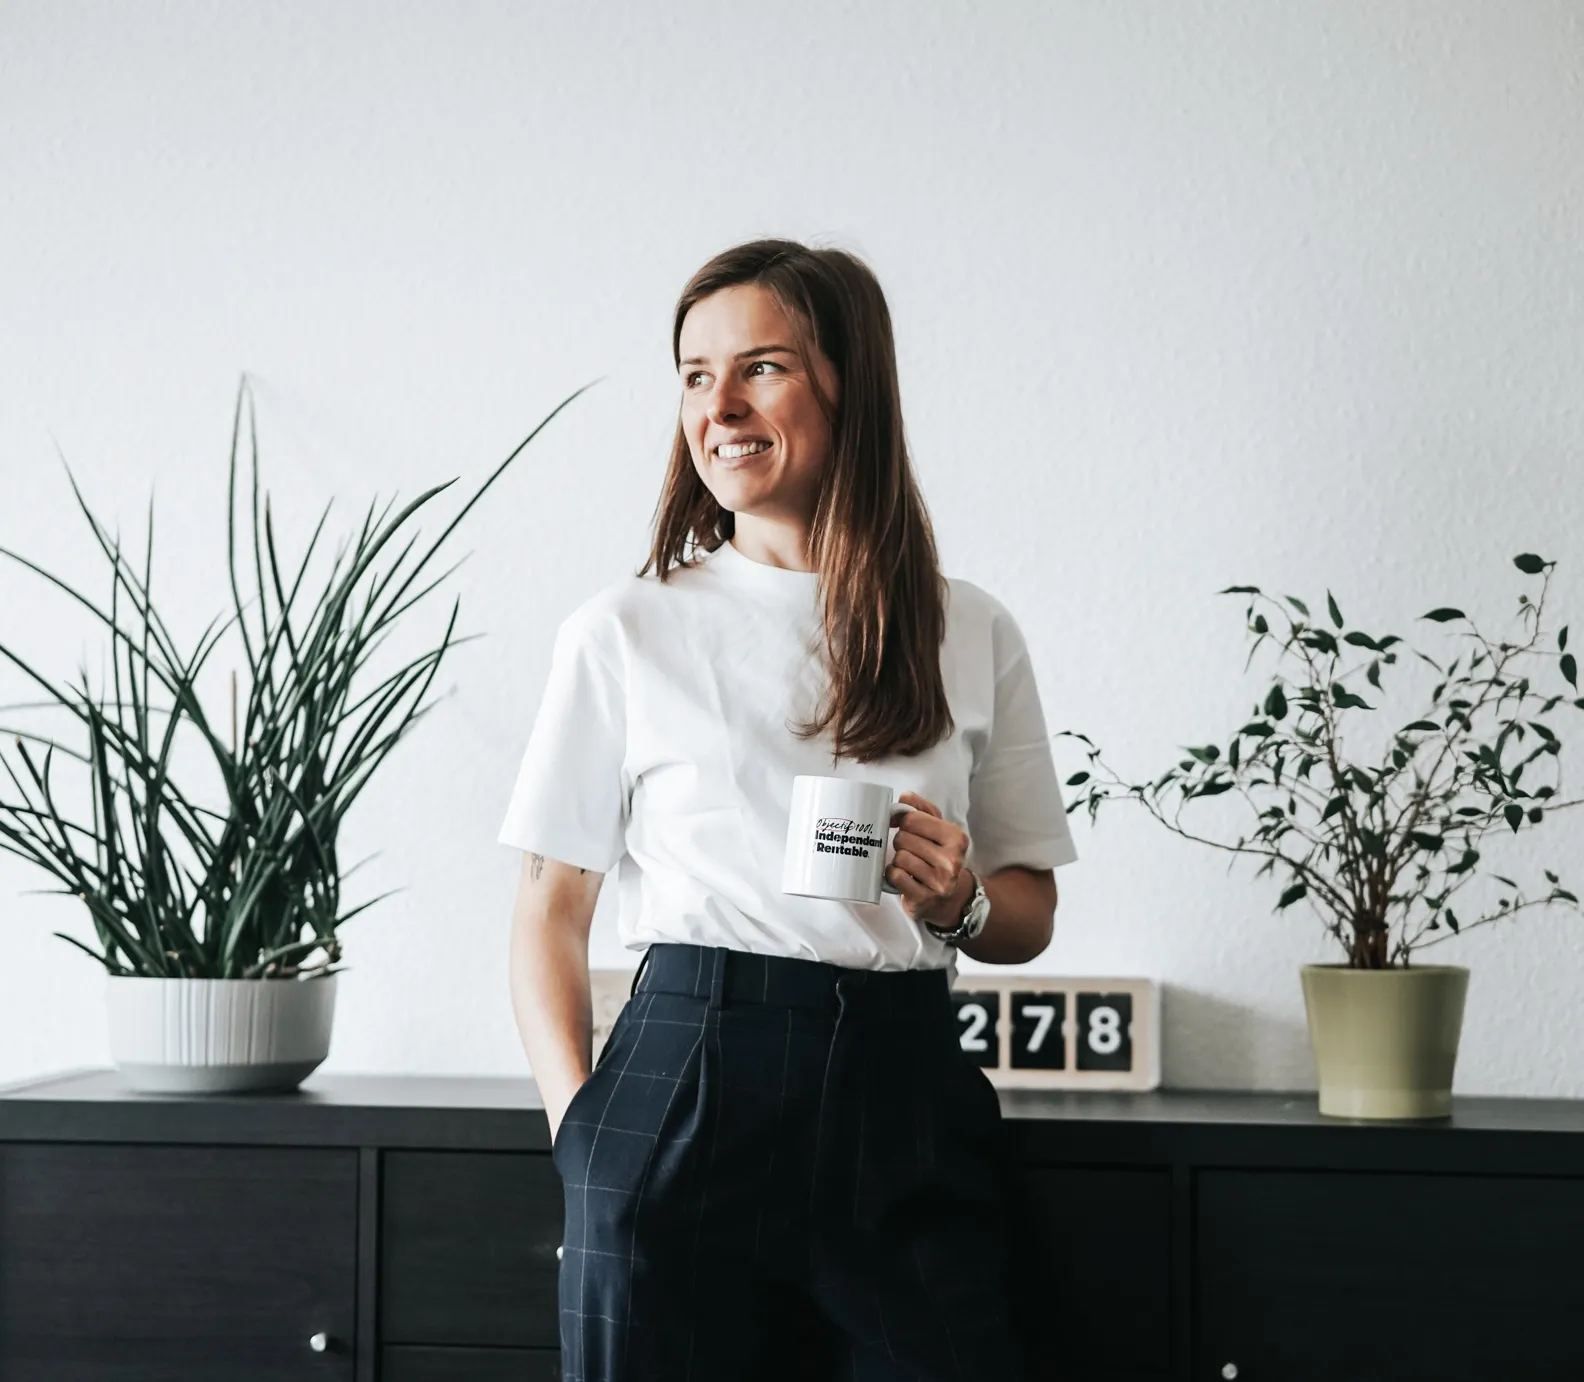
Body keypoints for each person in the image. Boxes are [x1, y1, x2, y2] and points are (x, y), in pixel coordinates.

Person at [499, 238, 1078, 1381]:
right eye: (694, 374)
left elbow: (1030, 911)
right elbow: (546, 910)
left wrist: (958, 899)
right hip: (686, 1080)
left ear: (847, 381)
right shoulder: (626, 628)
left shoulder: (969, 627)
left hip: (905, 1091)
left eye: (760, 366)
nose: (719, 405)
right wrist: (584, 1141)